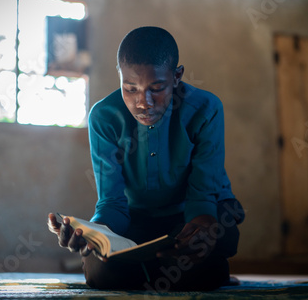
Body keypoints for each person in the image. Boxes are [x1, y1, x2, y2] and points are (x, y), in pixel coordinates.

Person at [48, 26, 244, 291]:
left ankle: (185, 266)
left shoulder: (206, 109)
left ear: (177, 77)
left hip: (192, 215)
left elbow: (202, 199)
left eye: (157, 88)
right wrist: (93, 235)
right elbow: (112, 203)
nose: (144, 102)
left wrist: (201, 230)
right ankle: (160, 265)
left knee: (209, 251)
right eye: (130, 89)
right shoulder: (104, 117)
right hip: (136, 219)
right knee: (100, 276)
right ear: (120, 76)